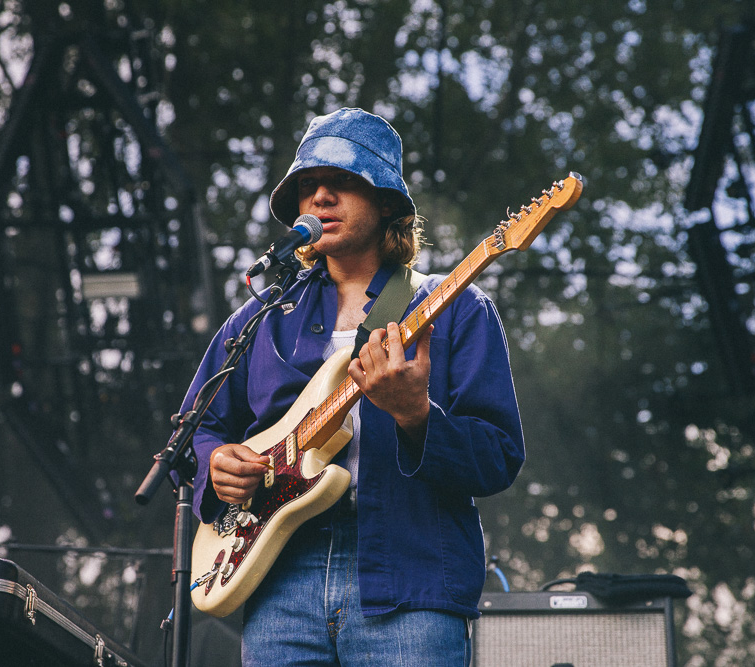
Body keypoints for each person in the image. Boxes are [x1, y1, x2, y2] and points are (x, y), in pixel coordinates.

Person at [181, 107, 525, 666]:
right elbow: (198, 430)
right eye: (307, 187)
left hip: (411, 580)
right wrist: (216, 460)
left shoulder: (458, 308)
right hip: (279, 580)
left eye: (341, 182)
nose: (319, 197)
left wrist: (418, 416)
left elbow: (499, 458)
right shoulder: (260, 317)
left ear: (388, 203)